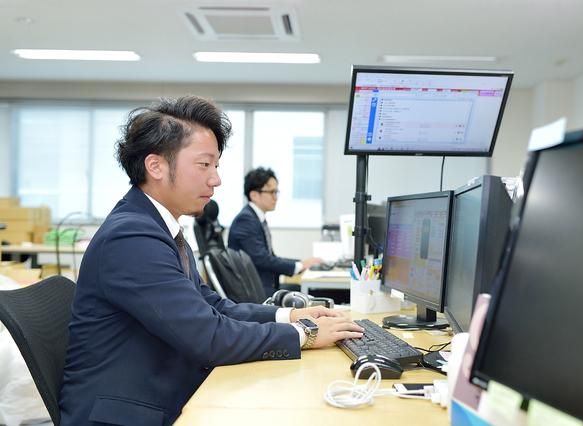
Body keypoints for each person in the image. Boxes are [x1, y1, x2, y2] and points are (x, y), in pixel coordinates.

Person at [58, 96, 363, 426]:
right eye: (204, 165)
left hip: (160, 392)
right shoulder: (132, 237)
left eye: (216, 166)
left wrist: (290, 315)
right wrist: (305, 334)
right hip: (128, 415)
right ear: (156, 166)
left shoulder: (159, 226)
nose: (216, 179)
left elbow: (214, 307)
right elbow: (209, 337)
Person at [228, 167, 322, 297]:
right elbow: (262, 259)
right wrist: (299, 265)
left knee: (310, 292)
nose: (275, 197)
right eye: (271, 192)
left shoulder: (256, 218)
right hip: (255, 292)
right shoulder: (245, 220)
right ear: (254, 195)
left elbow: (269, 257)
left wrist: (301, 264)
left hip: (263, 286)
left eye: (276, 192)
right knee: (313, 293)